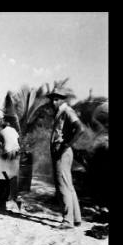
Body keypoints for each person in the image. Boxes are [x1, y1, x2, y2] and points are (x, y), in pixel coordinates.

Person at [47, 87, 85, 229]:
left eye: (56, 99)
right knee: (68, 185)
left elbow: (80, 129)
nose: (52, 102)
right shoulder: (60, 113)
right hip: (62, 152)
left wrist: (66, 145)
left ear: (61, 99)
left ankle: (67, 221)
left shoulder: (67, 111)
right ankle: (76, 219)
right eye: (52, 99)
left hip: (62, 153)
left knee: (62, 186)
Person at [0, 121, 23, 209]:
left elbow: (2, 144)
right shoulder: (13, 129)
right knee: (14, 173)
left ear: (2, 126)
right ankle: (15, 196)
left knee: (5, 171)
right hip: (16, 151)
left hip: (8, 151)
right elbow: (18, 140)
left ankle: (9, 196)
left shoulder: (1, 132)